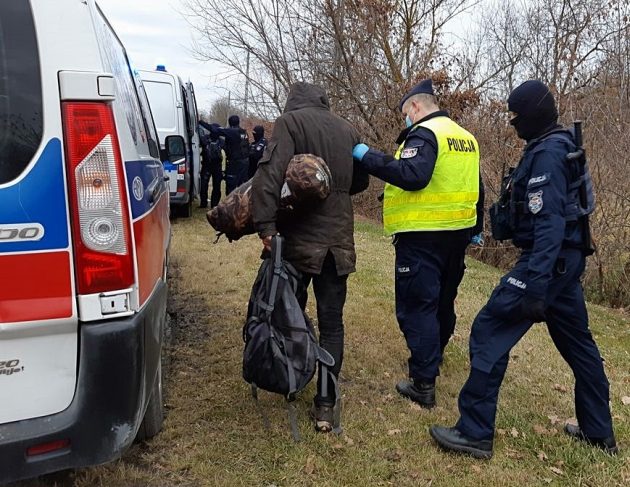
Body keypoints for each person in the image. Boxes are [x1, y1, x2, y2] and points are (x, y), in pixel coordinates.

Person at [429, 80, 617, 459]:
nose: (512, 123)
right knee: (579, 346)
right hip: (564, 263)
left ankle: (474, 431)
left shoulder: (548, 154)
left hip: (547, 262)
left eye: (516, 116)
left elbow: (549, 224)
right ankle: (599, 432)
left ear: (532, 114)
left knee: (489, 327)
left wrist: (535, 285)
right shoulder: (556, 145)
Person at [352, 79, 484, 409]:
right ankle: (433, 356)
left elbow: (413, 175)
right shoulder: (465, 138)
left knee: (417, 307)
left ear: (414, 107)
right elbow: (478, 188)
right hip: (457, 234)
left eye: (404, 114)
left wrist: (368, 157)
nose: (405, 121)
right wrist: (477, 227)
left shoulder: (425, 134)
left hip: (423, 237)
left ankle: (423, 383)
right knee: (442, 301)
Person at [251, 81, 369, 432]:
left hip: (298, 242)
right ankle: (325, 407)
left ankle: (291, 378)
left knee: (291, 315)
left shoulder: (290, 123)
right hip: (338, 242)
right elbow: (361, 181)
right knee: (332, 323)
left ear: (293, 101)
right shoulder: (349, 129)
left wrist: (266, 227)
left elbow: (268, 175)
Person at [200, 115, 249, 193]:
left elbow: (214, 129)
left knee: (230, 186)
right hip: (244, 163)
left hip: (234, 163)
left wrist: (200, 122)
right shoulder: (243, 132)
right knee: (242, 186)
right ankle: (241, 203)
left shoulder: (232, 132)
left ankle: (231, 203)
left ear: (230, 123)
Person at [198, 122, 224, 208]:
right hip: (207, 164)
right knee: (204, 185)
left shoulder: (221, 141)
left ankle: (214, 204)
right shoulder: (204, 139)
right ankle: (203, 203)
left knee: (216, 186)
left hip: (216, 165)